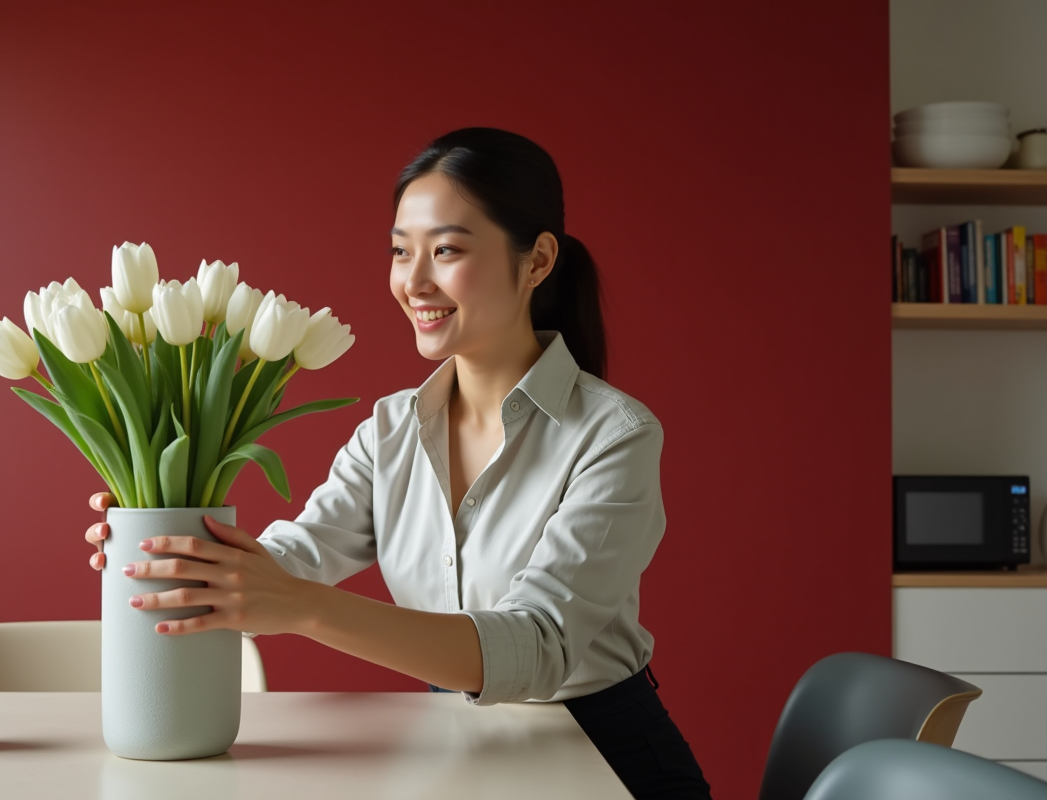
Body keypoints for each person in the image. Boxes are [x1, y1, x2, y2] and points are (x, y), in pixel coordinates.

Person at [84, 127, 711, 799]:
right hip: (460, 748)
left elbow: (537, 647)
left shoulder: (614, 435)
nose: (414, 281)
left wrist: (303, 608)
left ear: (537, 261)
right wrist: (172, 548)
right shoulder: (392, 428)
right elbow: (297, 554)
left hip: (606, 760)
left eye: (445, 251)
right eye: (399, 252)